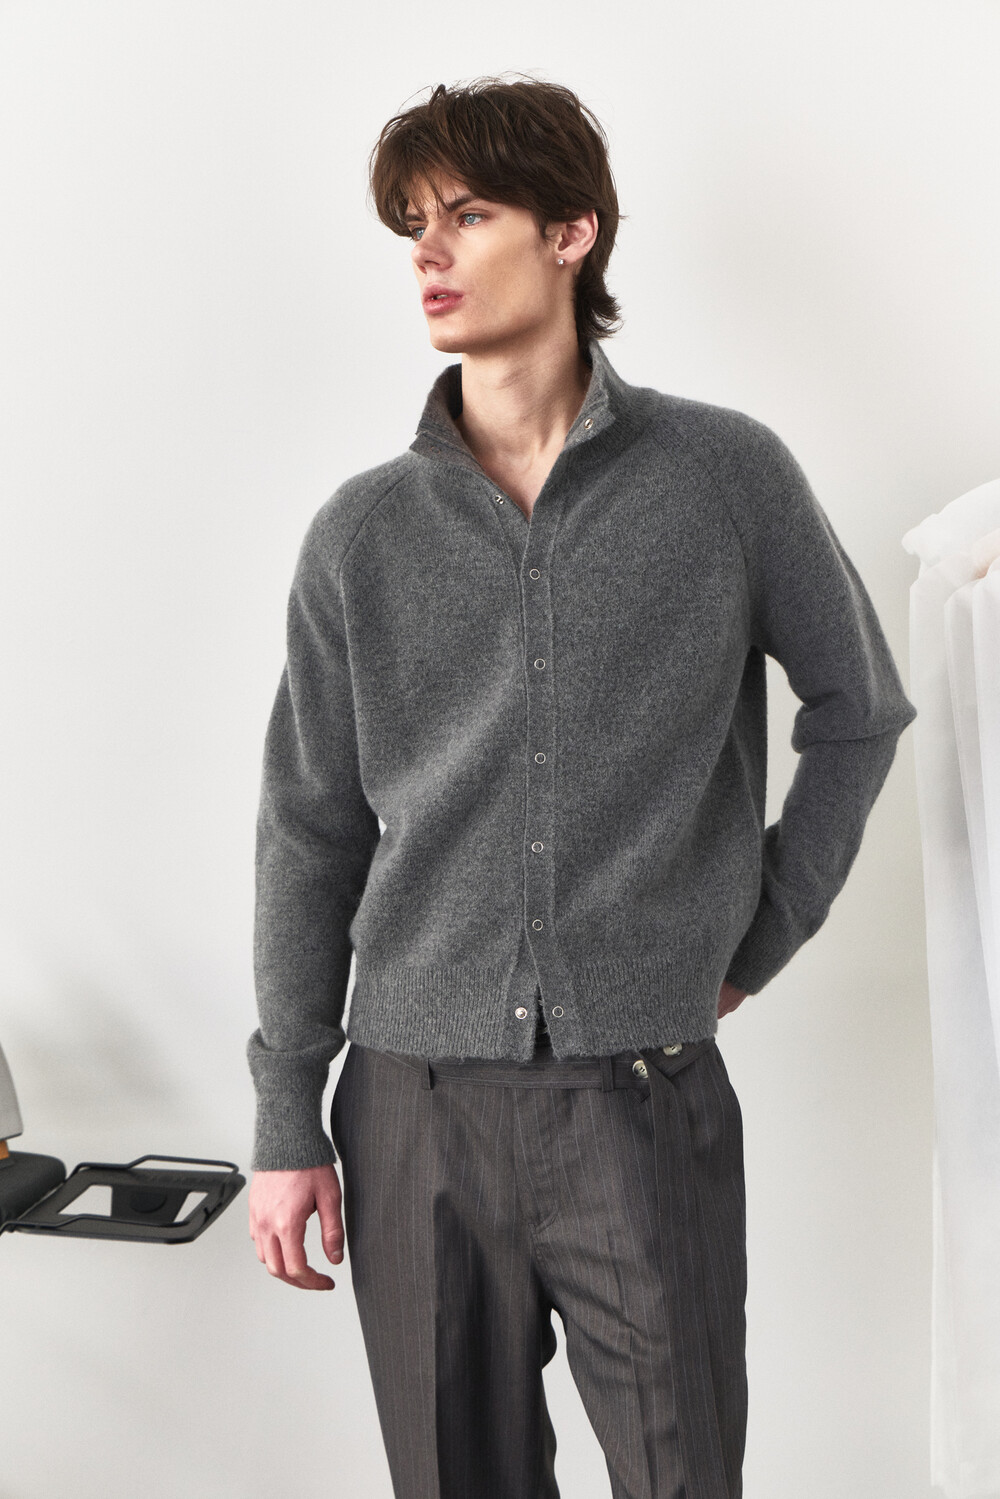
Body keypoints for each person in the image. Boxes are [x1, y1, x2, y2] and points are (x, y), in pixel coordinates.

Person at [246, 74, 917, 1499]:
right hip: (412, 1108)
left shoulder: (726, 477)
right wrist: (286, 1116)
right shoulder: (361, 534)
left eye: (468, 215)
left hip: (641, 1099)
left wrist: (757, 935)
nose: (427, 254)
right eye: (413, 225)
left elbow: (861, 711)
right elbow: (308, 829)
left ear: (571, 235)